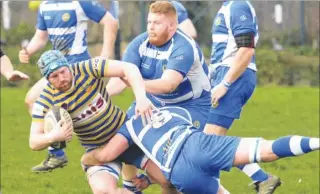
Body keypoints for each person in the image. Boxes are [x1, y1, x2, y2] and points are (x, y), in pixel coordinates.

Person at [81, 106, 319, 194]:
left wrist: (86, 157)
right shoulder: (174, 110)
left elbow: (105, 156)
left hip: (180, 171)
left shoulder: (129, 128)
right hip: (199, 145)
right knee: (267, 150)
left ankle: (262, 179)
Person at [106, 2, 210, 191]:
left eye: (157, 23)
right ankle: (131, 186)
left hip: (192, 106)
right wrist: (99, 96)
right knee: (123, 133)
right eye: (149, 22)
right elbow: (120, 79)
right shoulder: (139, 44)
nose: (151, 28)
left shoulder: (183, 46)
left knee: (177, 165)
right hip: (155, 101)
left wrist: (136, 84)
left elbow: (167, 85)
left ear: (172, 25)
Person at [29, 50, 154, 194]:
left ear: (68, 66)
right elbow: (33, 141)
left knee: (167, 179)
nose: (61, 78)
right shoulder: (46, 100)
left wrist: (141, 98)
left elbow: (129, 68)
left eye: (63, 71)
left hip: (125, 134)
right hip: (97, 148)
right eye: (54, 76)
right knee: (103, 192)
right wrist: (53, 137)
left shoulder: (86, 68)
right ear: (47, 79)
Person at [19, 0, 119, 172]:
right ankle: (57, 148)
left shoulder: (79, 3)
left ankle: (59, 150)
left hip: (77, 68)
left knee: (35, 101)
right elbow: (41, 37)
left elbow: (111, 22)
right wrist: (28, 50)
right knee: (32, 101)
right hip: (57, 71)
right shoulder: (45, 6)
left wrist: (105, 54)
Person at [205, 1, 281, 193]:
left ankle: (262, 178)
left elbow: (246, 49)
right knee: (209, 144)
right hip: (227, 76)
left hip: (234, 77)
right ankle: (261, 178)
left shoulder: (237, 5)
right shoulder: (228, 5)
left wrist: (225, 83)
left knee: (207, 146)